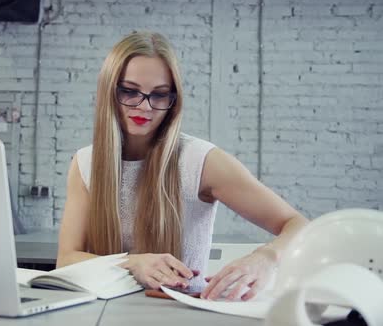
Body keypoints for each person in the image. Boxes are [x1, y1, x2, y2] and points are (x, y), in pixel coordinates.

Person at [56, 31, 308, 301]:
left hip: (181, 313)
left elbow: (299, 225)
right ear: (109, 91)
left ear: (173, 100)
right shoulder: (85, 162)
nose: (144, 107)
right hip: (104, 313)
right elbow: (67, 259)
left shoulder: (201, 161)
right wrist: (132, 263)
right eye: (129, 91)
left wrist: (265, 258)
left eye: (160, 95)